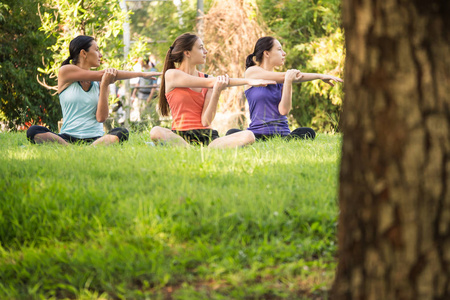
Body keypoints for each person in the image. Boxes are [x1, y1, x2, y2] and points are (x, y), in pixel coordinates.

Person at [26, 35, 161, 145]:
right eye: (96, 50)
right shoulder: (66, 71)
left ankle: (86, 148)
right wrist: (142, 74)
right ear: (84, 53)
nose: (100, 55)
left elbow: (101, 118)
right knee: (33, 131)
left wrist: (104, 86)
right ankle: (70, 148)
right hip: (67, 137)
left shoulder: (100, 82)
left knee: (122, 132)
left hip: (95, 139)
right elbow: (101, 74)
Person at [149, 33, 276, 149]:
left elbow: (206, 121)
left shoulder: (208, 79)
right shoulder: (172, 75)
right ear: (187, 53)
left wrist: (216, 92)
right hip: (180, 136)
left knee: (249, 135)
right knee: (155, 131)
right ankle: (190, 149)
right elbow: (212, 82)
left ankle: (203, 149)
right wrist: (248, 81)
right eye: (200, 48)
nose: (206, 51)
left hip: (207, 137)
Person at [226, 36, 343, 141]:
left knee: (308, 132)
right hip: (256, 134)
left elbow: (284, 111)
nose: (284, 53)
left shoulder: (282, 81)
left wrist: (288, 82)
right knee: (232, 133)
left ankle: (285, 139)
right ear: (267, 53)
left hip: (283, 134)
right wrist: (319, 75)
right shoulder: (252, 72)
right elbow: (283, 76)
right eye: (279, 49)